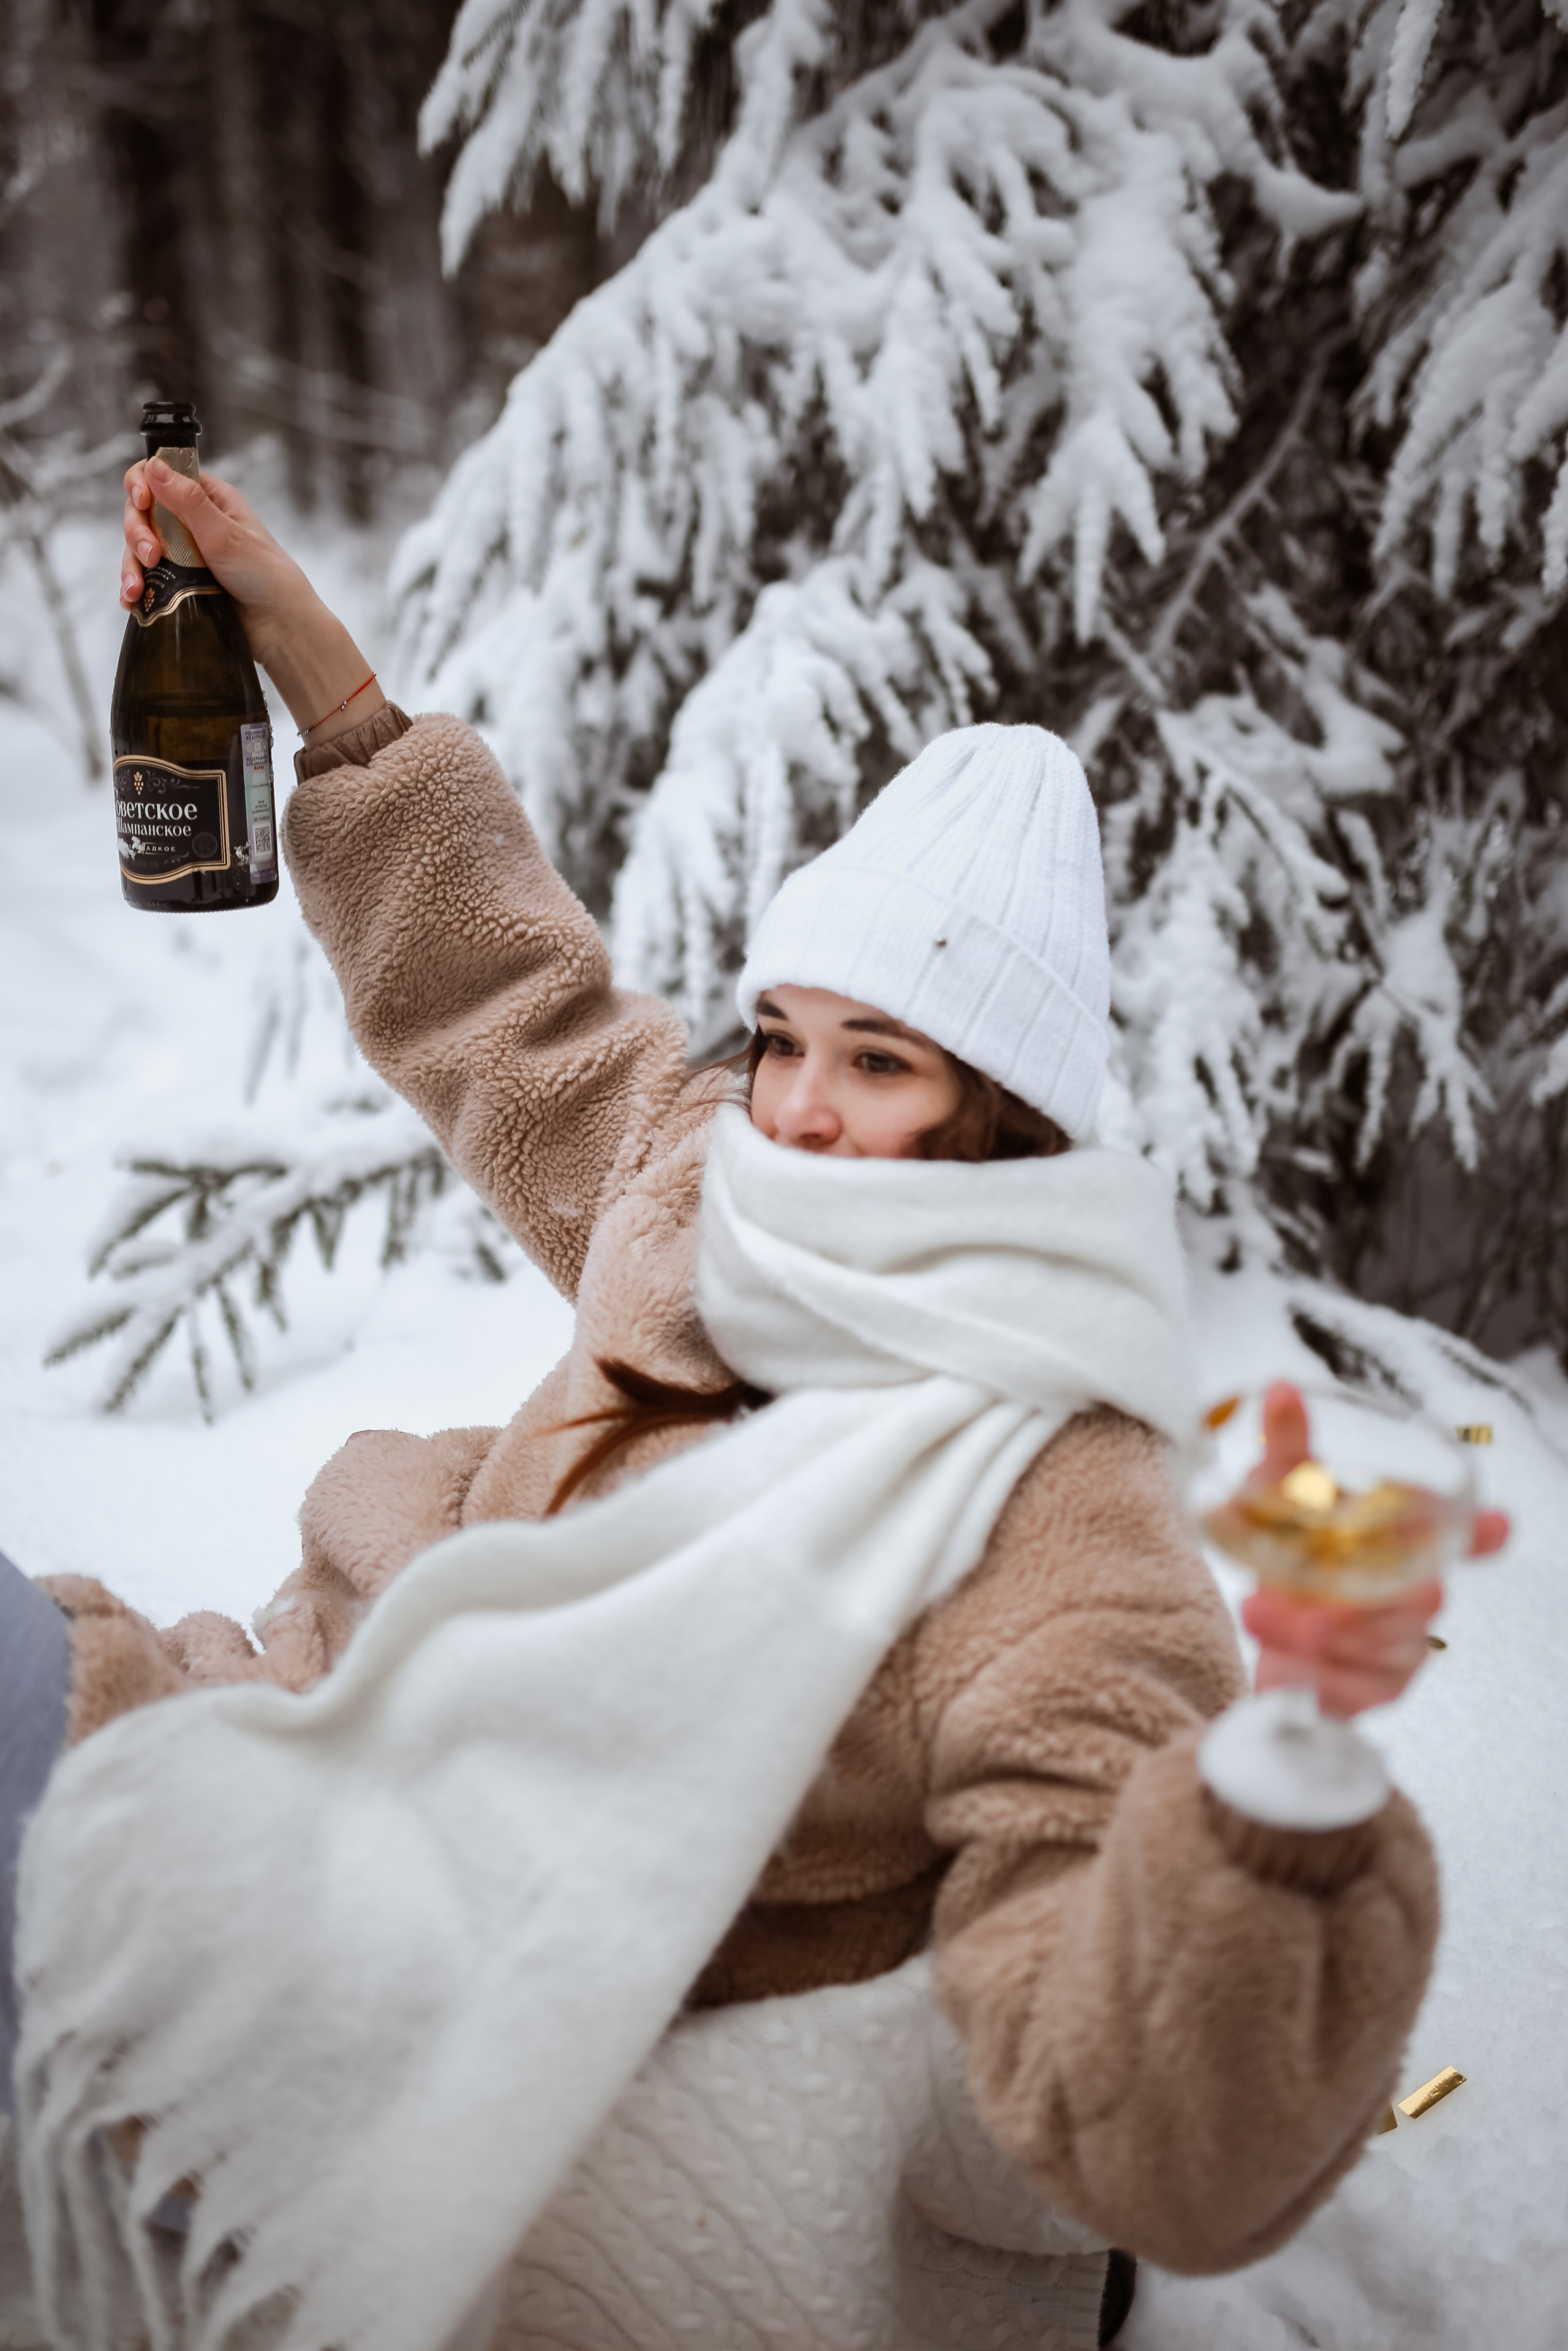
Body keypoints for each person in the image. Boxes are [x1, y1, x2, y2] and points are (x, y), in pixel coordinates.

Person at [0, 458, 1505, 2351]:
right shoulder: (720, 1188)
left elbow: (1120, 2098)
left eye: (877, 1063)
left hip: (460, 1986)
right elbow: (514, 1005)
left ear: (1001, 1119)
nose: (795, 1109)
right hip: (314, 1748)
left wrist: (1281, 1797)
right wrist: (330, 688)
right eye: (784, 1035)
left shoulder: (1058, 1504)